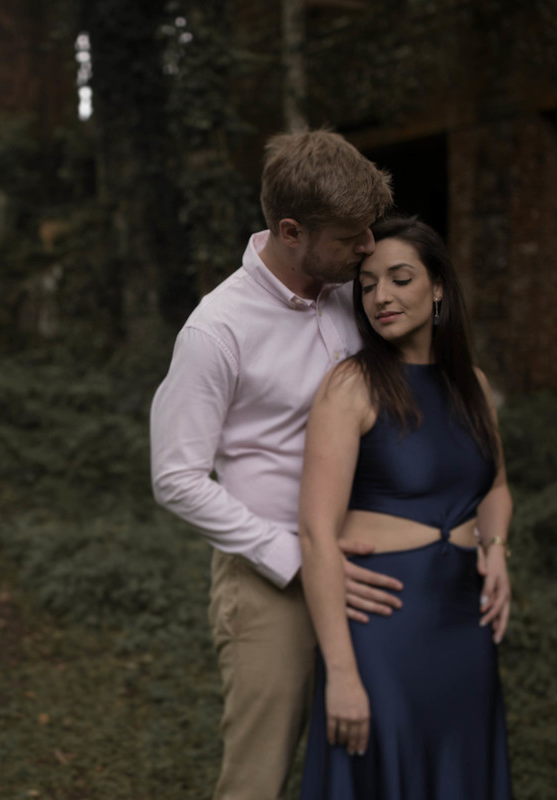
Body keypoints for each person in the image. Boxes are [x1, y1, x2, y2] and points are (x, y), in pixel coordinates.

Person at [150, 129, 400, 800]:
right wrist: (290, 556)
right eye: (352, 235)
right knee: (258, 780)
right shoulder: (216, 331)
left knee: (370, 757)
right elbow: (175, 477)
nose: (369, 246)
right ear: (292, 231)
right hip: (272, 582)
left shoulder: (356, 291)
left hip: (373, 562)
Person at [297, 215, 513, 799]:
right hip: (383, 628)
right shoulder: (351, 385)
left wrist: (496, 549)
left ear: (438, 286)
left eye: (399, 278)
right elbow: (316, 533)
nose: (381, 297)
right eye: (367, 285)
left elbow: (494, 488)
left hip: (464, 625)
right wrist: (341, 673)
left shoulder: (471, 383)